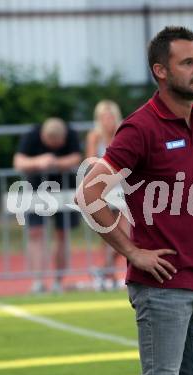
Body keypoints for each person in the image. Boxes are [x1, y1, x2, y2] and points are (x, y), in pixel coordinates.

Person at [76, 26, 193, 375]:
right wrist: (131, 252)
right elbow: (88, 194)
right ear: (161, 71)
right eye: (187, 62)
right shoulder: (139, 128)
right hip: (163, 285)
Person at [14, 117, 82, 293]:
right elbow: (19, 162)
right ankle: (38, 281)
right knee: (35, 233)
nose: (53, 147)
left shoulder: (70, 133)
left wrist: (55, 163)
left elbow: (77, 157)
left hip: (65, 189)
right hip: (36, 189)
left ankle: (59, 281)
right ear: (43, 136)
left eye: (56, 144)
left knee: (62, 234)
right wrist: (39, 162)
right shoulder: (32, 134)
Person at [86, 100, 127, 290]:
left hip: (123, 188)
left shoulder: (122, 133)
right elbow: (91, 161)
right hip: (103, 189)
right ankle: (108, 274)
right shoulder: (95, 136)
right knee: (108, 231)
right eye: (104, 117)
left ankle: (104, 270)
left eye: (110, 116)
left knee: (125, 231)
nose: (108, 121)